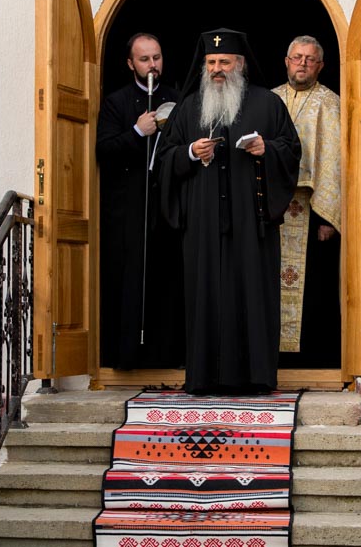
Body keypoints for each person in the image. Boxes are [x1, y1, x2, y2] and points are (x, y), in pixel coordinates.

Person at [156, 28, 302, 395]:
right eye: (211, 62)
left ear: (240, 64)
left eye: (224, 62)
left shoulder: (268, 104)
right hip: (202, 226)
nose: (217, 69)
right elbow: (165, 160)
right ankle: (203, 377)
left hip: (252, 225)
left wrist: (266, 148)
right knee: (205, 296)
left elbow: (291, 150)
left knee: (251, 295)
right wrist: (190, 153)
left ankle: (256, 377)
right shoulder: (190, 107)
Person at [95, 32, 185, 369]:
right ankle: (127, 357)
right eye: (145, 59)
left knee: (167, 279)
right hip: (128, 208)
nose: (152, 66)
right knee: (129, 279)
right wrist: (137, 132)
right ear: (131, 63)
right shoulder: (116, 102)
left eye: (157, 58)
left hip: (166, 204)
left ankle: (167, 355)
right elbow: (103, 149)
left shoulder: (178, 98)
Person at [272, 35, 343, 368]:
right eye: (297, 57)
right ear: (287, 61)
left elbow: (334, 160)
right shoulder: (269, 100)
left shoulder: (330, 103)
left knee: (313, 288)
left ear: (321, 66)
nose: (302, 63)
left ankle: (310, 361)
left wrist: (328, 217)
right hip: (273, 207)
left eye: (310, 59)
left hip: (311, 207)